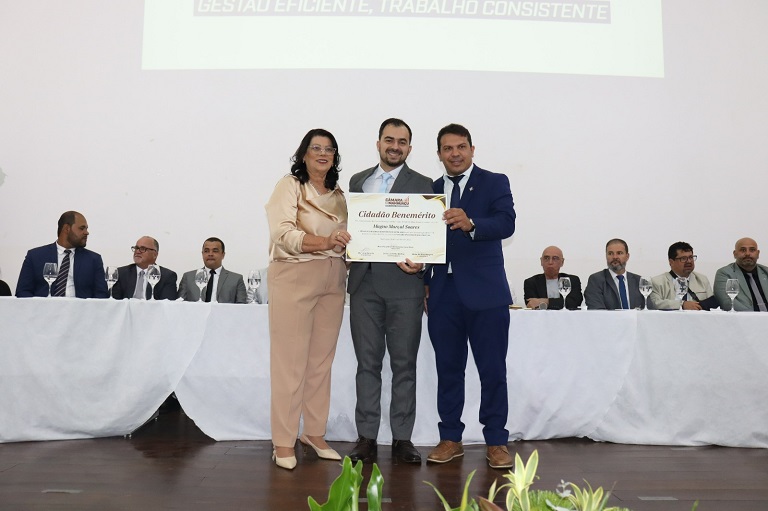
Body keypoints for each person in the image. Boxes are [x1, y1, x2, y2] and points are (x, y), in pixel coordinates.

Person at [423, 123, 516, 469]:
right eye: (448, 148)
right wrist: (422, 277)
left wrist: (472, 223)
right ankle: (450, 438)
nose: (455, 154)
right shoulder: (429, 191)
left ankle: (496, 441)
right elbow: (422, 240)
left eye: (461, 147)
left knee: (493, 371)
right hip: (443, 294)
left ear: (472, 150)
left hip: (486, 294)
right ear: (439, 154)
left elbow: (506, 223)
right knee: (448, 370)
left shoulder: (495, 182)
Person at [346, 118, 433, 465]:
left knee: (404, 365)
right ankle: (366, 437)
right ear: (378, 143)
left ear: (409, 147)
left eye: (402, 141)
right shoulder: (358, 181)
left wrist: (424, 262)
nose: (395, 146)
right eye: (389, 140)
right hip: (364, 285)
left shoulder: (425, 184)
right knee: (367, 365)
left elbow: (430, 237)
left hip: (405, 287)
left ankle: (402, 438)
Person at [264, 128, 350, 470]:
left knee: (320, 362)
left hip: (334, 277)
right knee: (290, 363)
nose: (323, 153)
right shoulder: (290, 185)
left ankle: (313, 433)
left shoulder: (340, 194)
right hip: (294, 274)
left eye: (329, 149)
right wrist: (325, 242)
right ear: (304, 154)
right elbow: (282, 233)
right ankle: (283, 441)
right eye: (316, 148)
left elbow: (350, 240)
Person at [16, 211, 108, 298]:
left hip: (80, 309)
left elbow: (102, 295)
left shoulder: (93, 260)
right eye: (81, 228)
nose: (86, 232)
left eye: (86, 228)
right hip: (44, 308)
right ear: (67, 228)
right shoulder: (35, 256)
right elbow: (23, 292)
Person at [177, 238, 247, 303]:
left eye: (215, 251)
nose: (210, 254)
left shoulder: (236, 279)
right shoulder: (188, 277)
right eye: (206, 251)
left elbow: (242, 307)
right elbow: (179, 304)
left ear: (223, 255)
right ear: (202, 254)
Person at [584, 239, 647, 310]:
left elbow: (648, 309)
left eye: (619, 253)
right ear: (606, 256)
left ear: (627, 256)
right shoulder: (596, 280)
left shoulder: (639, 281)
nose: (615, 257)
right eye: (610, 253)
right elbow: (597, 310)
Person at [650, 241, 714, 310]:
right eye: (683, 258)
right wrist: (681, 305)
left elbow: (712, 304)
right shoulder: (657, 282)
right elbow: (655, 304)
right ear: (671, 262)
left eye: (691, 257)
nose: (689, 261)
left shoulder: (702, 279)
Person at [111, 236, 178, 300]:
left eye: (143, 249)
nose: (137, 251)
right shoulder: (121, 273)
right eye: (136, 248)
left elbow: (167, 304)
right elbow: (114, 302)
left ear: (155, 254)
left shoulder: (167, 276)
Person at [714, 237, 768, 312]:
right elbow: (727, 303)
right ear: (735, 254)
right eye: (743, 250)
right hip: (745, 318)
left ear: (758, 253)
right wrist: (757, 317)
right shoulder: (724, 273)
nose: (747, 254)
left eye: (752, 250)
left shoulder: (766, 271)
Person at [523, 246, 583, 310]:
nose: (550, 262)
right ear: (541, 261)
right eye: (546, 258)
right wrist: (558, 302)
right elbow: (532, 304)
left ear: (562, 262)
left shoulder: (571, 280)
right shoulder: (531, 283)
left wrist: (546, 301)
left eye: (555, 258)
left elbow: (574, 303)